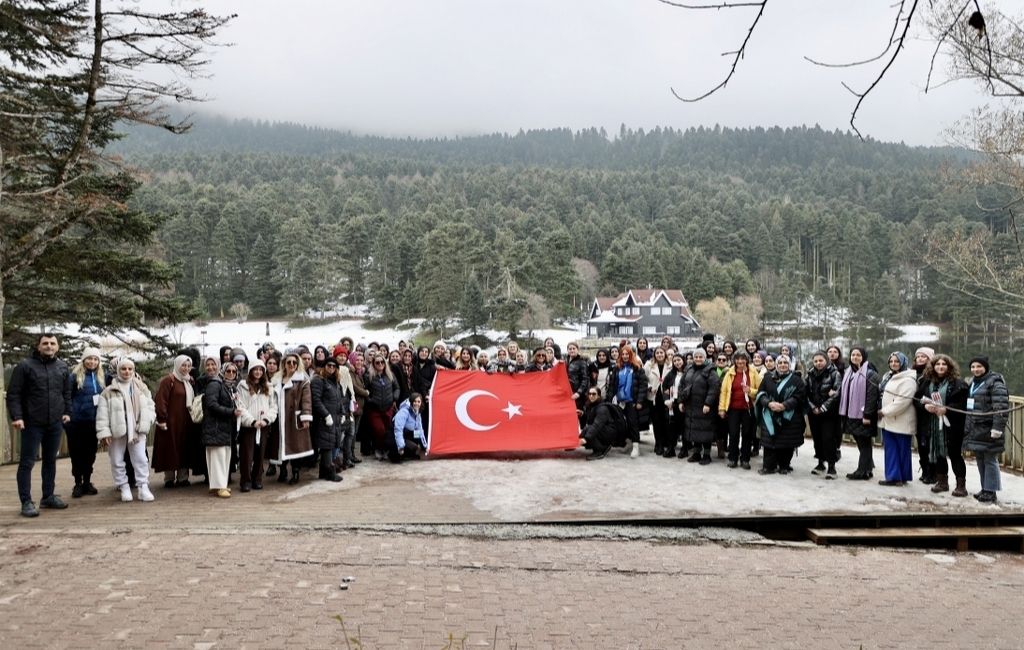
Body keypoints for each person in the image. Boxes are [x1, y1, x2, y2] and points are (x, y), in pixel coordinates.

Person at [7, 333, 72, 517]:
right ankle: (26, 501)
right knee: (27, 462)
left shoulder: (62, 367)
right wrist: (17, 416)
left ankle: (48, 496)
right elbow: (14, 394)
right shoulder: (25, 367)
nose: (49, 346)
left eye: (52, 343)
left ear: (57, 347)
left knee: (50, 460)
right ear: (38, 346)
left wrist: (67, 412)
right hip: (31, 423)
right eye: (45, 343)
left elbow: (66, 393)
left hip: (55, 423)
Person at [96, 358, 156, 502]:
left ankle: (143, 486)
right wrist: (104, 433)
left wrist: (148, 420)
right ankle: (123, 486)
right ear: (118, 371)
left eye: (130, 369)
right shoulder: (108, 391)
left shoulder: (141, 388)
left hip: (137, 429)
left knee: (141, 458)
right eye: (123, 369)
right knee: (117, 459)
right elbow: (102, 415)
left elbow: (150, 406)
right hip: (117, 430)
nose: (127, 372)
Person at [917, 354, 968, 496]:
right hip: (933, 425)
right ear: (933, 367)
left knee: (955, 454)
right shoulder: (926, 382)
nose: (940, 367)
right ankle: (942, 482)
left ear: (949, 367)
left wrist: (946, 409)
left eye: (944, 364)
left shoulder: (958, 383)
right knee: (938, 453)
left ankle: (961, 485)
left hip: (952, 426)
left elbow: (961, 405)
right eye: (937, 364)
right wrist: (925, 407)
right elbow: (917, 399)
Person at [963, 356, 1009, 503]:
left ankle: (991, 491)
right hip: (975, 428)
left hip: (989, 428)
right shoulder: (972, 382)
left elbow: (1000, 406)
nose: (976, 369)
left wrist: (997, 428)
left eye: (979, 367)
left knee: (990, 459)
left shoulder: (995, 382)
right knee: (980, 459)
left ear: (986, 367)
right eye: (973, 367)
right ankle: (985, 488)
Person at [267, 353, 315, 484]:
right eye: (289, 362)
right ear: (284, 364)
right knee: (279, 446)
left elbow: (306, 400)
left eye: (294, 362)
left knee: (295, 446)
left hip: (293, 419)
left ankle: (295, 473)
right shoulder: (276, 380)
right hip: (278, 418)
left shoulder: (302, 380)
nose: (292, 365)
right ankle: (282, 471)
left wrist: (306, 417)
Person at [755, 354, 806, 475]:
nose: (783, 365)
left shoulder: (796, 380)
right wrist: (769, 403)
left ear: (789, 365)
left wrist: (784, 406)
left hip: (789, 416)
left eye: (785, 363)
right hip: (769, 414)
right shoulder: (767, 378)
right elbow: (761, 393)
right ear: (776, 365)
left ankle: (784, 466)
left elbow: (799, 397)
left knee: (787, 443)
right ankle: (768, 467)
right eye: (780, 363)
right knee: (769, 443)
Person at [68, 347, 105, 498]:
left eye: (95, 359)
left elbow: (120, 378)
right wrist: (68, 415)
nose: (92, 362)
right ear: (83, 360)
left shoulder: (102, 377)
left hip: (93, 422)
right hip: (76, 422)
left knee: (90, 454)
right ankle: (77, 483)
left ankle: (87, 482)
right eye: (89, 358)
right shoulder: (74, 377)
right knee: (76, 454)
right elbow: (67, 396)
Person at [235, 359, 278, 492]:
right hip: (249, 426)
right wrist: (252, 422)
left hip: (263, 425)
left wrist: (266, 420)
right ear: (251, 371)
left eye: (260, 369)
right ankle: (245, 481)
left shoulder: (269, 387)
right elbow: (240, 406)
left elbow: (273, 407)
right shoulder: (242, 386)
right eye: (255, 369)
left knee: (260, 455)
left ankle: (257, 479)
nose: (258, 372)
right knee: (247, 455)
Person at [877, 352, 917, 487]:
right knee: (891, 449)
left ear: (903, 363)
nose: (893, 364)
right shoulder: (888, 376)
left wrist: (884, 412)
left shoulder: (909, 380)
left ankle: (899, 477)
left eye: (897, 361)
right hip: (889, 420)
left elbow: (902, 402)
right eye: (891, 361)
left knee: (902, 450)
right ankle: (895, 476)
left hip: (900, 419)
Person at [839, 347, 880, 480]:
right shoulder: (848, 372)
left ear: (864, 357)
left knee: (864, 443)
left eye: (858, 355)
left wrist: (867, 415)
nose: (855, 357)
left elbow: (872, 397)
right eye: (853, 355)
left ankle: (862, 471)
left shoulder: (869, 373)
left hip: (864, 415)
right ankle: (867, 469)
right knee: (862, 443)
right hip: (851, 413)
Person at [202, 362, 240, 498]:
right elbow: (211, 404)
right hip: (215, 427)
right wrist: (231, 412)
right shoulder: (215, 384)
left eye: (233, 372)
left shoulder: (230, 388)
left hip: (224, 428)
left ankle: (216, 485)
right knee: (218, 457)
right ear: (223, 371)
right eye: (228, 371)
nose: (230, 373)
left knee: (222, 457)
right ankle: (220, 486)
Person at [718, 351, 761, 470]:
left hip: (748, 408)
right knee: (733, 434)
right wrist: (721, 408)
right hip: (733, 409)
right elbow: (724, 392)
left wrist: (750, 391)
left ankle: (745, 459)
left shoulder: (752, 372)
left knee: (747, 434)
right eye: (737, 359)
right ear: (734, 360)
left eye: (742, 359)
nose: (740, 361)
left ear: (746, 360)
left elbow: (761, 390)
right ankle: (733, 458)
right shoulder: (730, 373)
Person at [605, 344, 647, 458]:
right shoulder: (617, 368)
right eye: (622, 354)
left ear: (631, 355)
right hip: (619, 400)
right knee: (620, 423)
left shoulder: (637, 368)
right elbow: (612, 385)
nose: (624, 356)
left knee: (633, 423)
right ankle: (624, 443)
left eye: (627, 354)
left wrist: (639, 401)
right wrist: (610, 400)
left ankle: (636, 446)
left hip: (631, 400)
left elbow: (643, 386)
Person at [805, 351, 842, 479]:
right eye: (815, 361)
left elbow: (837, 393)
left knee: (828, 439)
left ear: (826, 361)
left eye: (821, 360)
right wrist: (813, 407)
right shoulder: (809, 374)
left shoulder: (834, 374)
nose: (818, 363)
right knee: (817, 439)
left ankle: (832, 467)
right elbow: (805, 394)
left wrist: (823, 407)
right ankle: (820, 463)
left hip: (829, 413)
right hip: (814, 412)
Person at [681, 348, 721, 465]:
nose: (698, 359)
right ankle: (697, 453)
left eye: (700, 357)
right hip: (691, 406)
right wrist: (681, 401)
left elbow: (714, 388)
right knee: (694, 430)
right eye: (696, 357)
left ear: (705, 358)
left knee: (705, 430)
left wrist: (708, 403)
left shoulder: (710, 370)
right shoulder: (689, 369)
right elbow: (682, 385)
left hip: (704, 406)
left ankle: (707, 455)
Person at [310, 357, 346, 482]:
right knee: (326, 445)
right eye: (329, 365)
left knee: (332, 442)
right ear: (324, 366)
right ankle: (330, 472)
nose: (331, 368)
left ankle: (323, 472)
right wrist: (326, 415)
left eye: (334, 366)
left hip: (335, 418)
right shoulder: (319, 381)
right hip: (323, 419)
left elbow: (340, 400)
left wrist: (343, 413)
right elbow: (316, 400)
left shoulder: (335, 382)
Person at [366, 354, 400, 460]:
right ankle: (378, 448)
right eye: (377, 362)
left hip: (388, 407)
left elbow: (397, 388)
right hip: (375, 409)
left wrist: (394, 398)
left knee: (387, 430)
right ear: (373, 364)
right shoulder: (369, 376)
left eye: (382, 362)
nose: (380, 364)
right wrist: (370, 401)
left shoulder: (390, 375)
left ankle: (385, 449)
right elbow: (365, 391)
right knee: (379, 429)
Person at [911, 346, 937, 485]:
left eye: (924, 357)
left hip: (930, 415)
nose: (920, 359)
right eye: (918, 356)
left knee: (928, 444)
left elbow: (920, 396)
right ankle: (926, 471)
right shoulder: (912, 373)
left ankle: (932, 473)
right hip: (918, 414)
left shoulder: (932, 375)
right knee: (921, 445)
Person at [578, 387, 627, 460]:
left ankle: (601, 449)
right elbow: (591, 417)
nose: (591, 396)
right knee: (586, 431)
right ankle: (600, 446)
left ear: (599, 396)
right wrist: (582, 414)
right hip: (605, 430)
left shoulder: (602, 409)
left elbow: (597, 425)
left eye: (594, 394)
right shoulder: (593, 405)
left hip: (610, 432)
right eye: (590, 394)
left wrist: (586, 438)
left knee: (588, 431)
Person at [645, 347, 673, 457]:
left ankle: (666, 442)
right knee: (656, 422)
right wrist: (649, 387)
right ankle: (658, 444)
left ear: (665, 354)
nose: (660, 355)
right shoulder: (649, 365)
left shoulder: (670, 365)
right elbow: (644, 379)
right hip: (654, 397)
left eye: (662, 353)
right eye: (657, 353)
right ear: (654, 354)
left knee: (666, 421)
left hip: (666, 397)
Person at [390, 393, 427, 463]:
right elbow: (398, 430)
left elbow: (420, 431)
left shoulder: (418, 414)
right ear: (411, 402)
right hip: (394, 434)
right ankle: (393, 452)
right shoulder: (404, 412)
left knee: (416, 439)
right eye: (414, 401)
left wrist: (425, 446)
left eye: (418, 402)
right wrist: (401, 447)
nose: (417, 404)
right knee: (397, 458)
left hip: (406, 434)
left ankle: (407, 452)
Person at [565, 342, 590, 421]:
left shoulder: (582, 362)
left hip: (578, 395)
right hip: (568, 393)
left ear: (577, 350)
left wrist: (579, 393)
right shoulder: (565, 361)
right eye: (570, 349)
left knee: (578, 415)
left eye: (574, 348)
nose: (572, 350)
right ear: (567, 350)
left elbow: (585, 379)